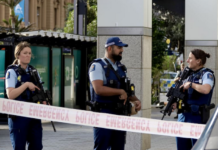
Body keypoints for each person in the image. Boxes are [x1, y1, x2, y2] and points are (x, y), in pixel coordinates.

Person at [88, 37, 141, 150]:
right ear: (110, 48)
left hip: (120, 114)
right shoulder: (97, 66)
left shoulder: (121, 68)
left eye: (122, 47)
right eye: (119, 47)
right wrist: (120, 91)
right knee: (102, 147)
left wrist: (136, 100)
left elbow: (126, 91)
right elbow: (98, 89)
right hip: (103, 114)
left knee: (118, 147)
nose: (122, 50)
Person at [5, 41, 46, 150]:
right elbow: (11, 94)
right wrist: (26, 85)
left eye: (29, 53)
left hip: (33, 114)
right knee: (19, 147)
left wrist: (44, 100)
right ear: (18, 55)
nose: (28, 55)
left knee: (37, 146)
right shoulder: (12, 72)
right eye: (25, 53)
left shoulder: (33, 71)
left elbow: (40, 90)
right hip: (18, 116)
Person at [172, 49, 215, 150]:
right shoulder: (187, 75)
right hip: (183, 117)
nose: (187, 60)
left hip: (197, 118)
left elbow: (206, 89)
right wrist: (175, 101)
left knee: (198, 147)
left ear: (198, 61)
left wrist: (191, 85)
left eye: (190, 58)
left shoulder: (206, 74)